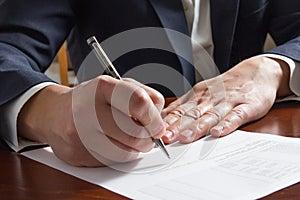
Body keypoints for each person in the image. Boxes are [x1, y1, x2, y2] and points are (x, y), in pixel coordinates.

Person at [0, 0, 299, 166]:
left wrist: (272, 68)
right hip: (120, 166)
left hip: (243, 158)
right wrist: (46, 110)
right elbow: (7, 48)